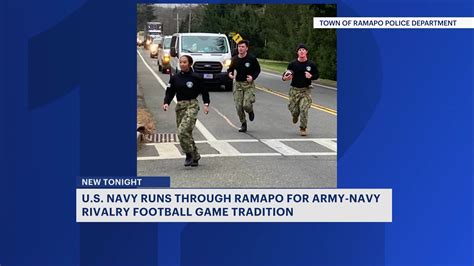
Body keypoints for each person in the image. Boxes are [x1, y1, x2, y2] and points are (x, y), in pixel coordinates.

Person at [163, 55, 210, 167]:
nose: (182, 64)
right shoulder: (175, 78)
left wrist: (206, 104)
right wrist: (166, 102)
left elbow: (204, 91)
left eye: (185, 62)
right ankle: (195, 156)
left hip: (192, 105)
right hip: (180, 106)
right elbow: (170, 92)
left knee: (182, 131)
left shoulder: (196, 77)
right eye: (181, 62)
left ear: (190, 64)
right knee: (186, 133)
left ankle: (188, 154)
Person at [282, 44, 319, 136]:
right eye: (300, 50)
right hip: (294, 90)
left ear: (306, 52)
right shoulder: (293, 64)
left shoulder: (311, 64)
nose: (301, 51)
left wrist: (311, 76)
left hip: (305, 90)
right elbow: (286, 75)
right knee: (294, 110)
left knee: (304, 109)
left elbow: (317, 75)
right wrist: (285, 78)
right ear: (297, 52)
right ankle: (295, 116)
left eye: (303, 50)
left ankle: (303, 128)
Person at [227, 40, 261, 132]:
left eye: (242, 47)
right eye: (239, 47)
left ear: (246, 48)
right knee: (238, 106)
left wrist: (252, 77)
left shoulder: (251, 59)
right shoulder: (234, 59)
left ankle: (250, 111)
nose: (240, 48)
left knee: (246, 105)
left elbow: (257, 70)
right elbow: (229, 69)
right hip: (238, 85)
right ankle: (243, 123)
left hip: (248, 84)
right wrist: (230, 74)